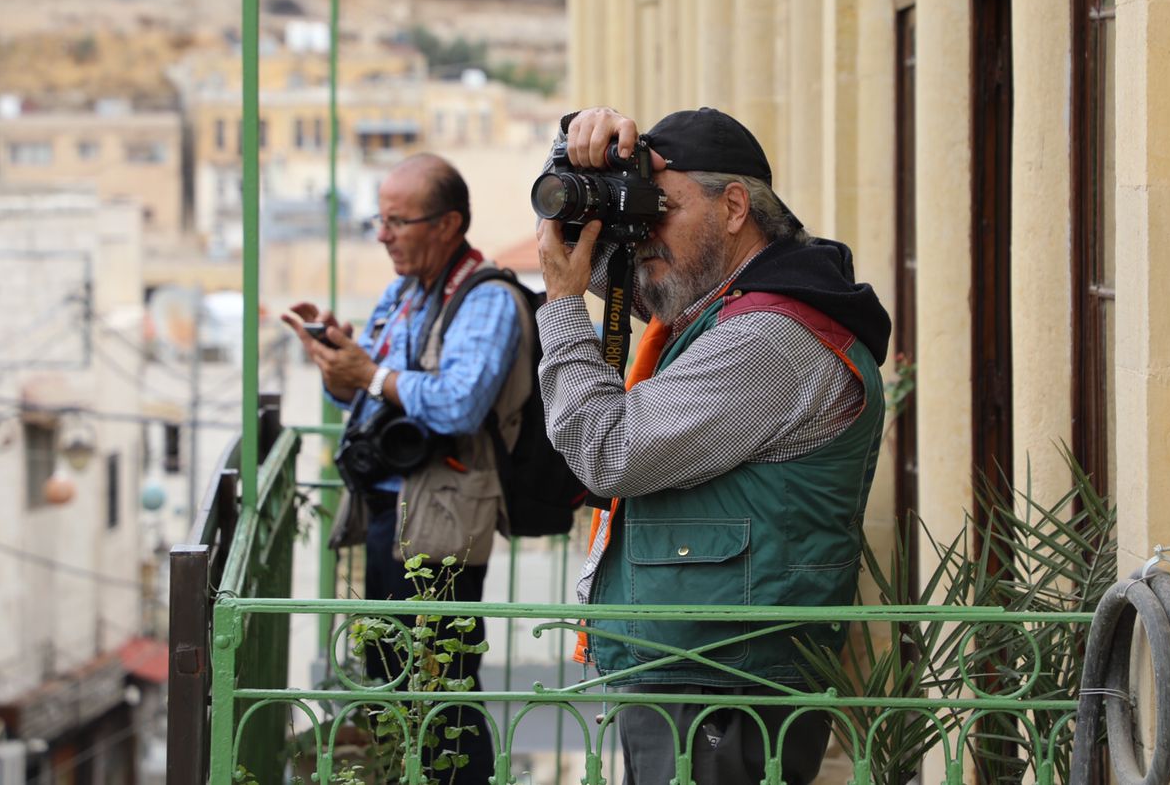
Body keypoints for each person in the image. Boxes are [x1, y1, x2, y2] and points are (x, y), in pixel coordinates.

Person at [534, 106, 892, 785]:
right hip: (701, 671)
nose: (643, 234)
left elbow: (607, 449)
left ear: (734, 208)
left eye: (660, 208)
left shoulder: (769, 341)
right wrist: (579, 150)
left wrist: (560, 304)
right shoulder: (729, 308)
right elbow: (637, 288)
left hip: (726, 688)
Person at [284, 153, 529, 785]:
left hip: (444, 516)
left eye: (398, 221)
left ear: (447, 224)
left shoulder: (487, 298)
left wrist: (368, 373)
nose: (383, 235)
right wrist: (341, 365)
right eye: (379, 220)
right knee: (388, 671)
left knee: (441, 682)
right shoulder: (404, 292)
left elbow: (457, 402)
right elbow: (373, 394)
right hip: (390, 510)